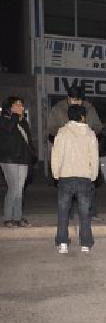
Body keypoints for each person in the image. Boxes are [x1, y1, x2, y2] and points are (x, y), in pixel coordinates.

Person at [47, 86, 103, 220]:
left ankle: (91, 213)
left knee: (89, 188)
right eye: (73, 100)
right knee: (66, 189)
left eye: (79, 100)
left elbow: (98, 127)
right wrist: (67, 132)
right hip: (66, 151)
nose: (76, 103)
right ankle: (68, 215)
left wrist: (85, 132)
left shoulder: (89, 108)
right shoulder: (58, 109)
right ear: (68, 98)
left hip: (84, 151)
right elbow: (51, 128)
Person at [51, 104, 100, 254]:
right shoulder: (90, 134)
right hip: (84, 177)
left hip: (65, 177)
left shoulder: (62, 133)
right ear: (83, 117)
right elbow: (94, 157)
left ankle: (63, 244)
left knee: (63, 212)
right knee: (84, 213)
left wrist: (56, 174)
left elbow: (55, 156)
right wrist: (93, 176)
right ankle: (85, 244)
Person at [0, 96, 36, 227]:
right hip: (9, 159)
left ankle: (18, 217)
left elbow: (27, 140)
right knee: (13, 187)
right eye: (17, 105)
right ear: (9, 107)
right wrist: (15, 116)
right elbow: (9, 130)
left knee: (20, 189)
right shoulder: (4, 120)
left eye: (22, 105)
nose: (21, 107)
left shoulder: (23, 122)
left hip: (23, 159)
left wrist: (32, 153)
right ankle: (8, 217)